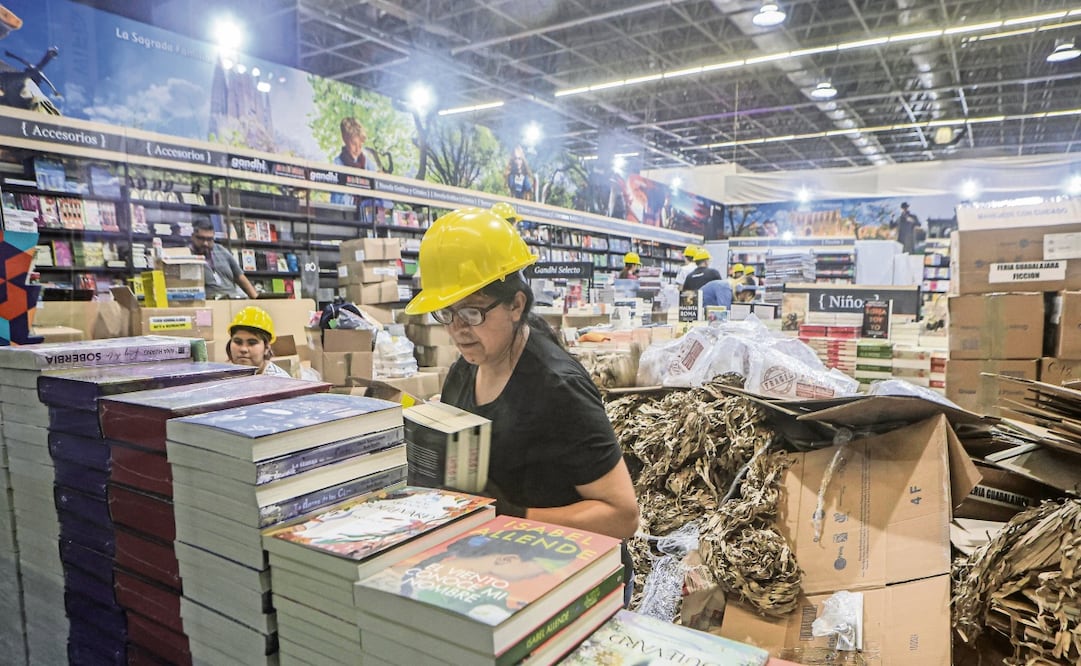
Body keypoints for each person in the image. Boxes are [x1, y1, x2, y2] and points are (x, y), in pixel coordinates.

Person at [404, 205, 639, 601]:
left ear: (516, 305)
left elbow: (622, 516)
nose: (459, 330)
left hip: (572, 576)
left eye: (472, 311)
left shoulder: (557, 388)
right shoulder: (465, 370)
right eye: (447, 313)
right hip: (501, 565)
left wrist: (512, 517)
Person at [189, 219, 258, 299]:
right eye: (201, 239)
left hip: (233, 299)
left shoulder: (221, 251)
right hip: (209, 304)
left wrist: (257, 300)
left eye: (209, 239)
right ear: (193, 237)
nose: (205, 243)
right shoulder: (187, 256)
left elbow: (240, 277)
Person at [226, 306, 291, 377]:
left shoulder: (280, 382)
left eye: (252, 343)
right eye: (238, 342)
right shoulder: (224, 375)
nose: (243, 349)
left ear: (266, 348)